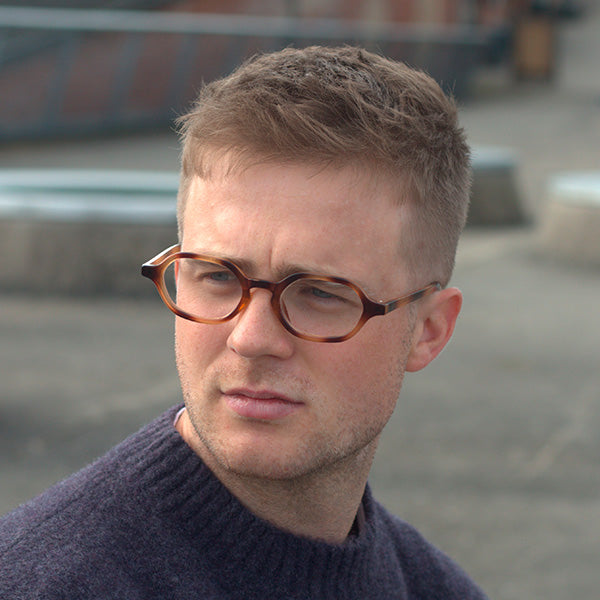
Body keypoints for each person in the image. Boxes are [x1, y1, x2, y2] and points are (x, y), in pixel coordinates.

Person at [0, 46, 487, 599]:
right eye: (217, 276)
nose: (251, 338)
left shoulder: (436, 588)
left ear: (429, 330)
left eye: (319, 293)